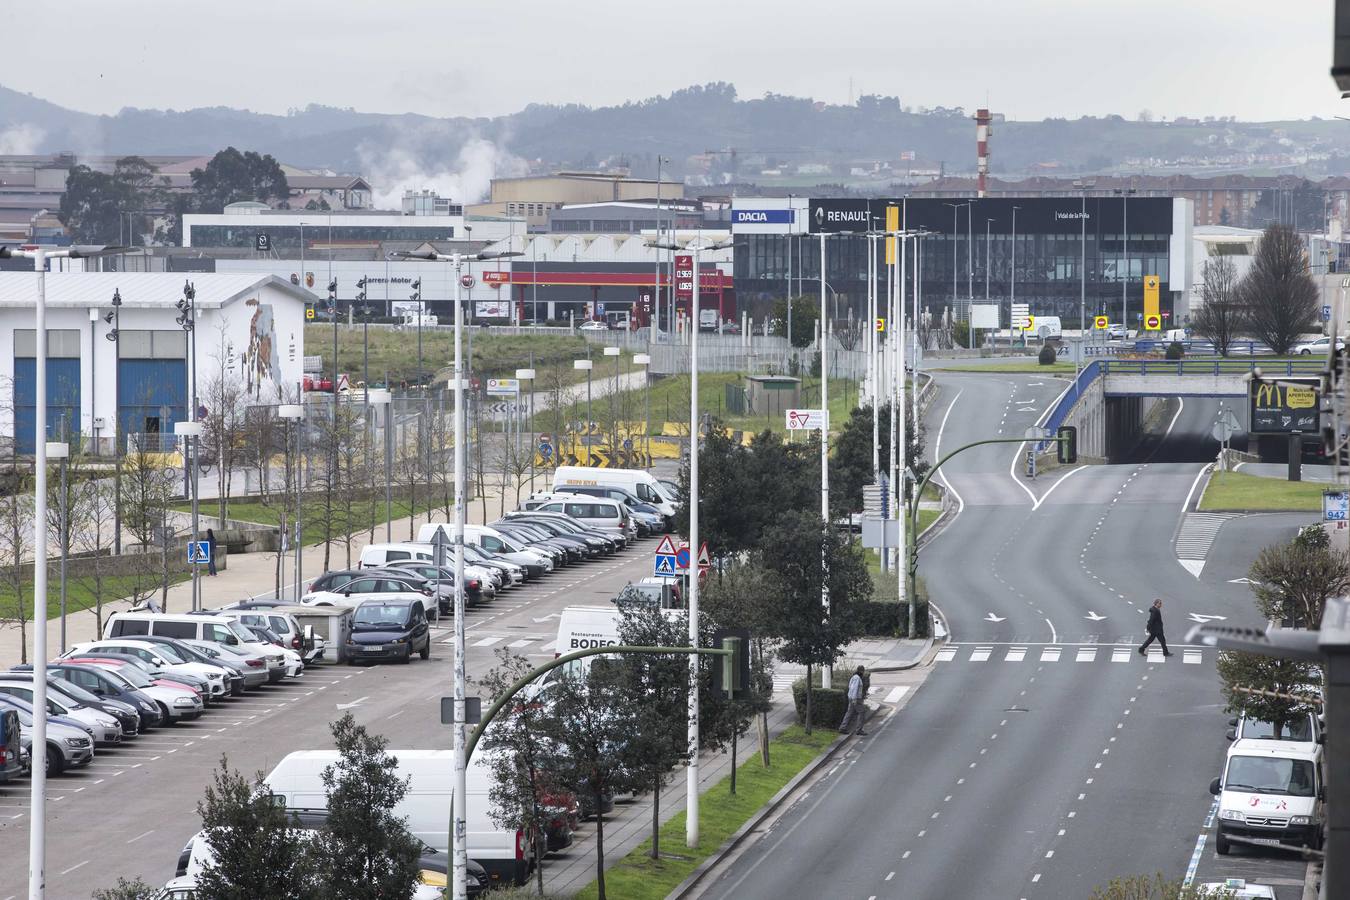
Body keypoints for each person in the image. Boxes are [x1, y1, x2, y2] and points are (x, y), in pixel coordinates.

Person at [838, 665, 868, 736]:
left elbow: (850, 687)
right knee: (862, 712)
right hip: (856, 699)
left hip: (852, 698)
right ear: (861, 671)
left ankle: (842, 727)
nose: (863, 673)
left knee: (849, 712)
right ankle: (859, 730)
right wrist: (854, 699)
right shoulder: (857, 678)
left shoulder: (854, 677)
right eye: (863, 671)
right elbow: (854, 689)